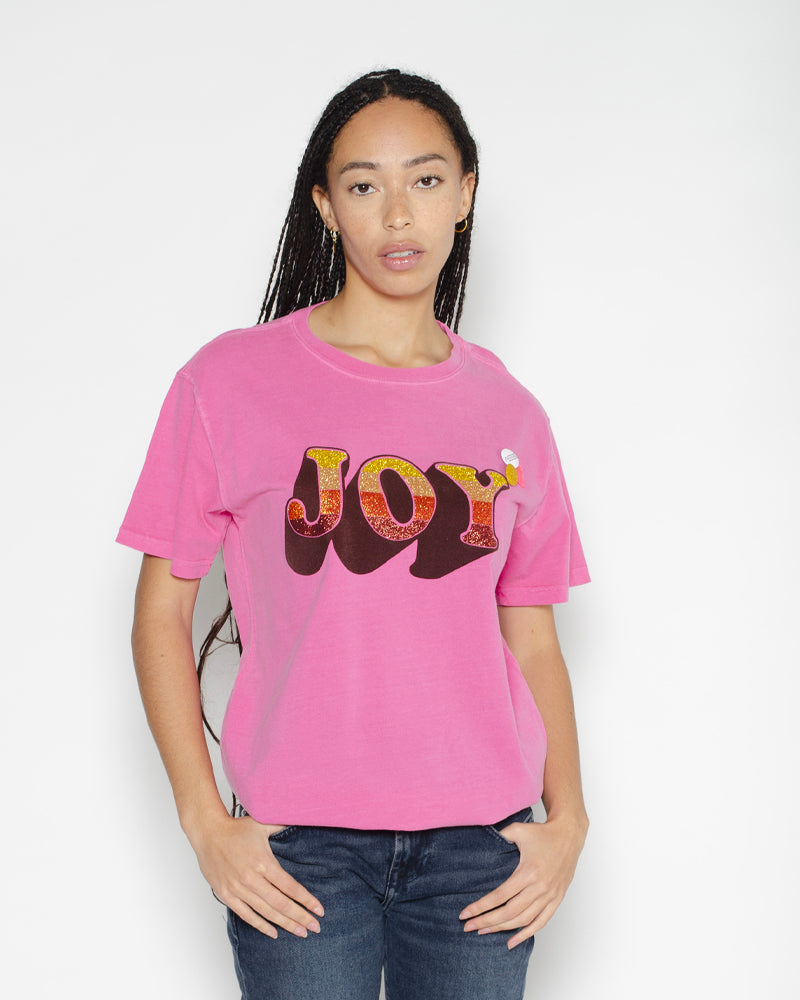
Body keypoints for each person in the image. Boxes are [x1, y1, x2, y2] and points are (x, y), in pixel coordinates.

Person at [118, 68, 590, 1000]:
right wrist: (205, 823)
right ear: (326, 207)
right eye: (365, 185)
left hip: (481, 848)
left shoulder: (509, 410)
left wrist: (568, 819)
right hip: (300, 850)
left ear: (465, 194)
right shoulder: (228, 383)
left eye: (426, 179)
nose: (398, 213)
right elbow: (160, 614)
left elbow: (531, 636)